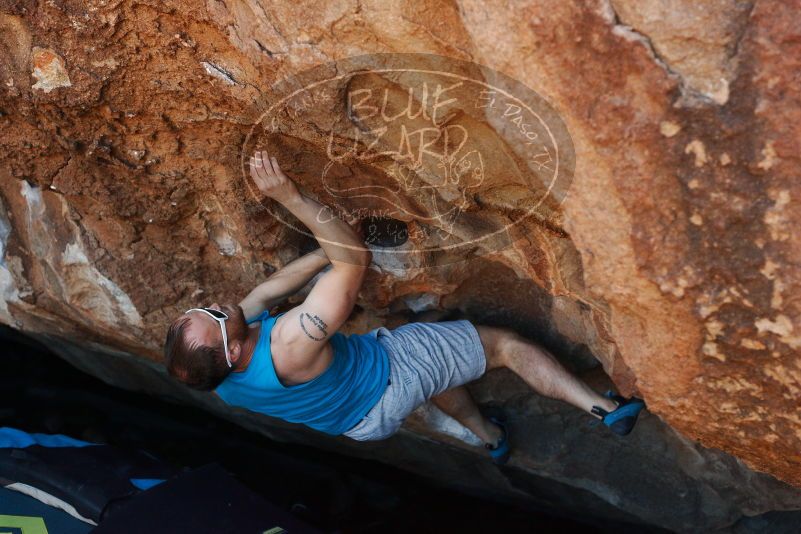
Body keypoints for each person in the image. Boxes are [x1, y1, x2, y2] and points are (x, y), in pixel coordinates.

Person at [163, 151, 645, 464]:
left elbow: (267, 292)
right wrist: (291, 198)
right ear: (229, 351)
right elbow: (353, 264)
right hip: (389, 375)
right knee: (502, 346)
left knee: (415, 337)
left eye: (205, 310)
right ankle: (604, 408)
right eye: (216, 317)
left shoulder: (221, 379)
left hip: (363, 422)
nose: (216, 307)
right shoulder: (290, 341)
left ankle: (490, 439)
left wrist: (327, 245)